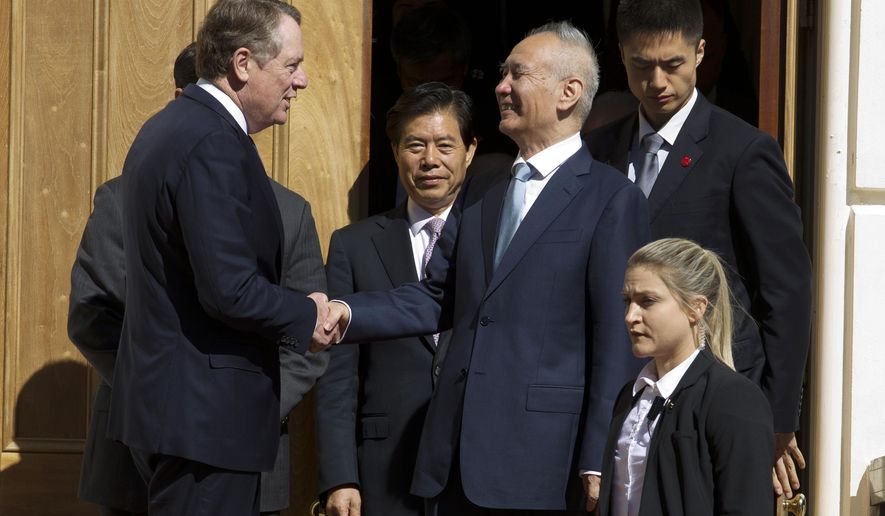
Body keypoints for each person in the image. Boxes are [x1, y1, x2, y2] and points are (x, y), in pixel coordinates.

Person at [318, 21, 650, 514]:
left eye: (516, 74)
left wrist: (598, 459)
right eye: (502, 74)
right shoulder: (485, 187)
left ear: (568, 93)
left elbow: (617, 338)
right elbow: (438, 295)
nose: (500, 86)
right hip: (453, 463)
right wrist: (346, 312)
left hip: (543, 464)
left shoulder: (611, 198)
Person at [67, 41, 328, 516]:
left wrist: (247, 407)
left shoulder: (289, 212)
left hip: (248, 442)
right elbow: (93, 317)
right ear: (181, 98)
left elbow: (306, 339)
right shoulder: (122, 199)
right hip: (137, 450)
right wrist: (157, 401)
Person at [584, 0, 812, 498]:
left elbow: (786, 291)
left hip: (713, 389)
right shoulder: (596, 150)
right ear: (622, 58)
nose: (658, 82)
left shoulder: (743, 151)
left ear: (701, 52)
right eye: (643, 66)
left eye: (673, 64)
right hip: (618, 395)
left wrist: (777, 416)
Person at [314, 82, 476, 516]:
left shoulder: (494, 238)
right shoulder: (354, 244)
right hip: (384, 470)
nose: (430, 161)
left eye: (445, 145)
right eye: (415, 145)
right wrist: (340, 476)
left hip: (474, 463)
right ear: (395, 151)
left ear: (470, 151)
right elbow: (338, 376)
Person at [598, 238, 774, 515]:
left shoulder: (732, 398)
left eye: (647, 301)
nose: (630, 316)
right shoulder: (630, 396)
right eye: (627, 301)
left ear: (696, 308)